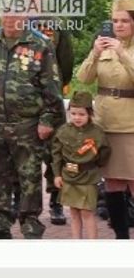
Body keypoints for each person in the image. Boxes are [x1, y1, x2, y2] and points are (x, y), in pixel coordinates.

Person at [0, 0, 63, 240]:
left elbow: (52, 87)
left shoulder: (40, 44)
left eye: (16, 13)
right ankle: (0, 222)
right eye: (6, 12)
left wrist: (47, 120)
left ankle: (30, 222)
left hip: (27, 125)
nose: (10, 18)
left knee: (29, 175)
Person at [76, 0, 134, 239]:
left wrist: (122, 53)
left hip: (131, 125)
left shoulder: (124, 50)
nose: (118, 25)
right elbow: (84, 78)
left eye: (124, 20)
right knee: (112, 183)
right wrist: (94, 53)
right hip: (105, 123)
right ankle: (121, 236)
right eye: (114, 20)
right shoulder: (104, 46)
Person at [19, 0, 74, 225]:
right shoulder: (12, 24)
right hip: (20, 103)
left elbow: (66, 62)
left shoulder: (56, 24)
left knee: (54, 155)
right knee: (20, 155)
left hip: (48, 102)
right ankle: (22, 203)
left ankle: (56, 203)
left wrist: (55, 90)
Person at [52, 91, 111, 239]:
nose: (77, 117)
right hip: (69, 177)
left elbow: (105, 151)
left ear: (90, 114)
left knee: (87, 213)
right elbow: (56, 154)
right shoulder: (63, 131)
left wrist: (96, 165)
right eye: (73, 114)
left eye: (81, 114)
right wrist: (57, 174)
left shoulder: (97, 133)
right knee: (74, 213)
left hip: (88, 178)